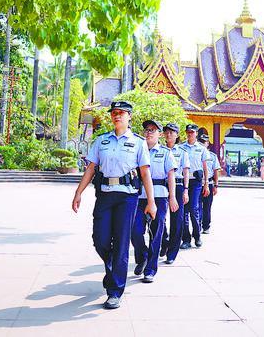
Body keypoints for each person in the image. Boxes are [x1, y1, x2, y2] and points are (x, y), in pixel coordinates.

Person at [71, 101, 156, 310]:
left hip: (127, 198)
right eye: (114, 113)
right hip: (105, 195)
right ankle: (112, 268)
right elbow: (91, 168)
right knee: (99, 239)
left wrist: (151, 202)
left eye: (121, 113)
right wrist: (78, 192)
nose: (117, 116)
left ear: (129, 117)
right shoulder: (101, 141)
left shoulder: (138, 143)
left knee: (120, 242)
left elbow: (145, 173)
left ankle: (115, 290)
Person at [131, 120, 177, 283]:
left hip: (159, 196)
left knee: (156, 233)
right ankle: (142, 256)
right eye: (147, 130)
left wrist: (173, 197)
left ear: (159, 134)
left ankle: (150, 269)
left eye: (153, 130)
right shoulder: (137, 150)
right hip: (139, 195)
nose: (149, 132)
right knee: (135, 231)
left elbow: (170, 176)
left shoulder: (165, 152)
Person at [160, 123, 190, 264]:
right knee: (159, 218)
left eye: (172, 132)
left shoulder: (182, 152)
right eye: (166, 132)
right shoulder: (159, 150)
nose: (169, 134)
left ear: (177, 135)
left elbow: (185, 172)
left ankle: (172, 253)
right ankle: (164, 241)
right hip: (161, 185)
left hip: (177, 186)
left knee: (177, 220)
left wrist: (185, 190)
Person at [179, 124, 209, 249]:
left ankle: (197, 236)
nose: (190, 134)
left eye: (192, 132)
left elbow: (205, 167)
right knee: (184, 210)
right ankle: (186, 239)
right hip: (183, 181)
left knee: (193, 209)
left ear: (196, 133)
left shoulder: (201, 148)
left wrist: (206, 183)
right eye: (188, 132)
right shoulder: (181, 148)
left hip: (196, 182)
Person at [200, 134, 221, 234]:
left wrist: (216, 185)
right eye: (201, 142)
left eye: (204, 142)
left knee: (207, 206)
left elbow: (216, 171)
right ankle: (198, 224)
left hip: (209, 182)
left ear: (208, 143)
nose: (202, 144)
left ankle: (206, 226)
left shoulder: (212, 156)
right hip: (197, 183)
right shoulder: (194, 154)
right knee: (196, 206)